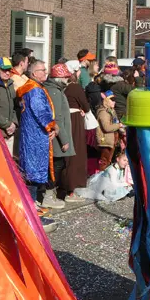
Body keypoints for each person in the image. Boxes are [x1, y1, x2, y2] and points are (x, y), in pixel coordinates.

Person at [16, 59, 59, 220]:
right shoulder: (34, 90)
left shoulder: (32, 87)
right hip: (35, 135)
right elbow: (40, 111)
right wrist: (52, 126)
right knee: (33, 170)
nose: (45, 72)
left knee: (32, 168)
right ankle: (31, 204)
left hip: (33, 133)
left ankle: (32, 202)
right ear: (34, 73)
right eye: (42, 70)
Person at [42, 63, 74, 208]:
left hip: (57, 134)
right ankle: (48, 196)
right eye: (66, 77)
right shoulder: (54, 92)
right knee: (56, 166)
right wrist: (64, 139)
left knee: (56, 165)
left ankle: (49, 194)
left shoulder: (55, 90)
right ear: (59, 78)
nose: (68, 79)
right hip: (57, 136)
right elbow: (57, 117)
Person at [63, 60, 91, 200]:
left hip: (65, 119)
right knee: (76, 153)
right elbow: (86, 106)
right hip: (74, 121)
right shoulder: (75, 87)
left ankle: (64, 186)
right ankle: (71, 189)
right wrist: (82, 109)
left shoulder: (64, 87)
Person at [95, 91, 122, 171]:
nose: (114, 102)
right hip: (105, 142)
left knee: (108, 161)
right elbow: (107, 128)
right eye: (112, 100)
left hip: (110, 141)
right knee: (104, 162)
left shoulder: (111, 111)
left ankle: (106, 176)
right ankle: (102, 177)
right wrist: (119, 125)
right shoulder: (104, 112)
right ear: (106, 101)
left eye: (114, 100)